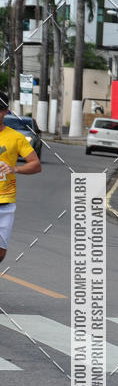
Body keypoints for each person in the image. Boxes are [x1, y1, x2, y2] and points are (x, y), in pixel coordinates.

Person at [0, 93, 42, 264]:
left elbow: (36, 165)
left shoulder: (16, 137)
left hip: (5, 202)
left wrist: (15, 168)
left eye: (0, 109)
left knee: (1, 254)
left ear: (6, 112)